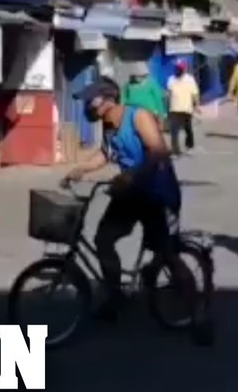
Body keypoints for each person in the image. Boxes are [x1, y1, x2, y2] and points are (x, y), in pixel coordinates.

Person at [64, 77, 211, 344]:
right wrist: (81, 169)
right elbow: (107, 154)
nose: (88, 106)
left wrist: (132, 176)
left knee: (169, 255)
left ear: (107, 99)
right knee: (103, 239)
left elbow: (158, 152)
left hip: (158, 194)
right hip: (131, 192)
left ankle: (199, 317)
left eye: (91, 100)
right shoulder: (109, 127)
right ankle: (115, 297)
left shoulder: (138, 117)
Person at [165, 60, 200, 156]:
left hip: (186, 108)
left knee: (188, 129)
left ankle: (190, 146)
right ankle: (176, 151)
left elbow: (195, 93)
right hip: (174, 109)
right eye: (176, 68)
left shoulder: (190, 79)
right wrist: (166, 107)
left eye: (179, 68)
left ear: (184, 69)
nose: (178, 70)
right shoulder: (171, 79)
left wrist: (197, 105)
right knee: (174, 131)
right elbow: (168, 94)